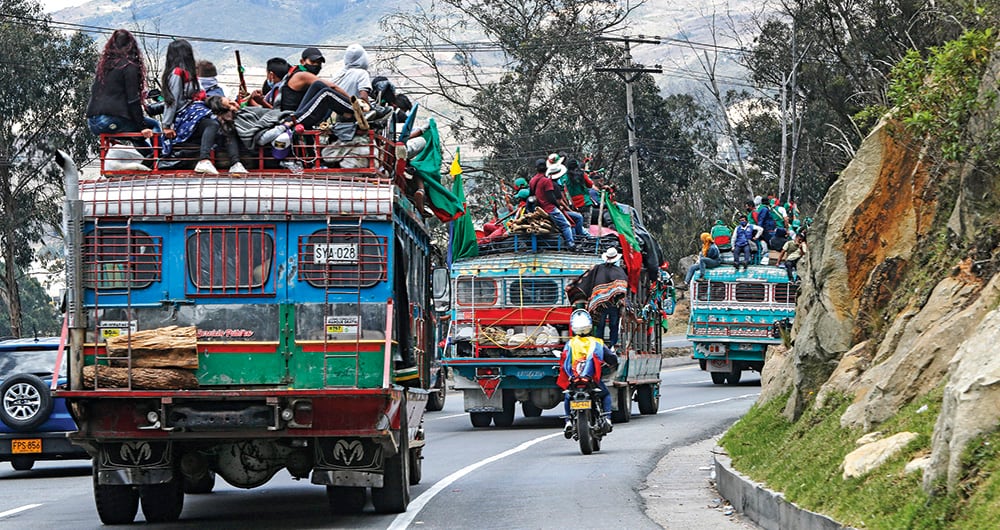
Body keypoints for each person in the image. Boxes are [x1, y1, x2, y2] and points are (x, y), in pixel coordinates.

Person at [85, 29, 159, 154]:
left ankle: (150, 159)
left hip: (93, 122)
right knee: (154, 125)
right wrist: (143, 127)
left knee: (135, 134)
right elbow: (133, 100)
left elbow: (101, 91)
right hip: (110, 121)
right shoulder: (129, 66)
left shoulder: (104, 66)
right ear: (131, 46)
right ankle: (161, 159)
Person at [557, 309, 619, 437]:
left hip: (574, 380)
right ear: (590, 326)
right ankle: (607, 418)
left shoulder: (570, 343)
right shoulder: (597, 343)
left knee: (568, 396)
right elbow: (611, 359)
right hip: (591, 381)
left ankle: (568, 421)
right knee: (605, 394)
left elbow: (563, 359)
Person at [529, 161, 578, 249]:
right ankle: (571, 244)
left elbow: (531, 195)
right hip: (549, 208)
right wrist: (558, 206)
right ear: (546, 168)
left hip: (539, 208)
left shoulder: (532, 181)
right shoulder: (546, 181)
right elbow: (550, 197)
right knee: (566, 225)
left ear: (536, 168)